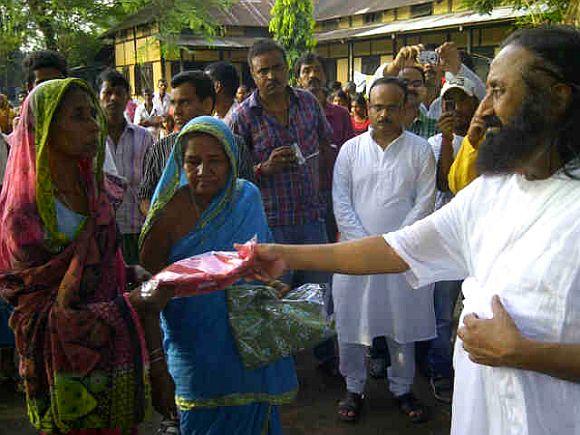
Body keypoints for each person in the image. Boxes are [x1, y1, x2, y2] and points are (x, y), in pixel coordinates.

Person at [250, 26, 580, 435]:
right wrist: (281, 254)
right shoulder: (493, 191)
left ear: (556, 99)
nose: (481, 111)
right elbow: (394, 249)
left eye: (497, 91)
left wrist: (525, 353)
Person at [0, 77, 176, 433]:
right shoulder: (25, 213)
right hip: (64, 367)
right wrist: (130, 304)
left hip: (115, 355)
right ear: (46, 126)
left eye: (92, 115)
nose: (94, 125)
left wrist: (127, 272)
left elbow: (101, 262)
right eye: (79, 116)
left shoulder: (95, 191)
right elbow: (37, 310)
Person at [139, 116, 298, 434]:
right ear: (179, 163)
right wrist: (156, 364)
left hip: (249, 341)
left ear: (231, 161)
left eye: (215, 161)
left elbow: (258, 263)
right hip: (195, 349)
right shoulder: (167, 215)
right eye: (193, 161)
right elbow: (148, 292)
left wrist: (272, 284)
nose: (203, 171)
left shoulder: (247, 198)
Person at [332, 77, 435, 423]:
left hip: (401, 255)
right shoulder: (350, 150)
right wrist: (364, 245)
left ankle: (402, 388)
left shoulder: (421, 150)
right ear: (367, 108)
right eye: (377, 106)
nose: (384, 113)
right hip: (355, 254)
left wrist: (393, 244)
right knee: (352, 321)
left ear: (406, 108)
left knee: (400, 321)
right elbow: (341, 201)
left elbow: (425, 201)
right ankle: (353, 386)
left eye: (392, 107)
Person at [230, 39, 335, 373]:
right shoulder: (241, 118)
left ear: (287, 68)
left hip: (311, 217)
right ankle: (283, 367)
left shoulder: (308, 103)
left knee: (318, 293)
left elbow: (325, 143)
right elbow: (233, 177)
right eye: (264, 71)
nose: (272, 76)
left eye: (277, 67)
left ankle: (326, 359)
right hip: (270, 224)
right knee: (276, 297)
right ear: (253, 74)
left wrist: (327, 196)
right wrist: (265, 168)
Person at [424, 75, 479, 403]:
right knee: (443, 312)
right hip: (447, 239)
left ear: (474, 104)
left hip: (476, 237)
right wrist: (446, 139)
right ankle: (440, 369)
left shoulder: (487, 140)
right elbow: (446, 184)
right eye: (449, 102)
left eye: (461, 101)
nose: (455, 109)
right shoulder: (434, 144)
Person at [138, 71, 254, 216]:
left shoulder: (235, 146)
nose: (176, 111)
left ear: (207, 104)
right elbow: (145, 196)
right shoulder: (160, 149)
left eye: (184, 102)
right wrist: (163, 223)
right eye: (174, 103)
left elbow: (249, 196)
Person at [294, 52, 355, 243]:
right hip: (299, 195)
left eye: (317, 70)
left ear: (325, 76)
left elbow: (349, 154)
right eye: (306, 71)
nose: (313, 75)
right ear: (298, 79)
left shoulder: (341, 114)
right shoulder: (291, 114)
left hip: (332, 191)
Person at [98, 69, 154, 265]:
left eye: (119, 93)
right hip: (101, 231)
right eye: (107, 93)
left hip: (136, 226)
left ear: (127, 98)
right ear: (99, 97)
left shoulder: (144, 137)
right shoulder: (90, 138)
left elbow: (152, 181)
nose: (113, 98)